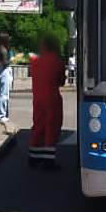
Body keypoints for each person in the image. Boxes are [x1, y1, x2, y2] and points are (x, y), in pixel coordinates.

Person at [28, 33, 66, 167]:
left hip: (38, 98)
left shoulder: (34, 61)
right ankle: (48, 160)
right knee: (52, 126)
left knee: (38, 124)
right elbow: (61, 81)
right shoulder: (57, 61)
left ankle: (34, 156)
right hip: (52, 98)